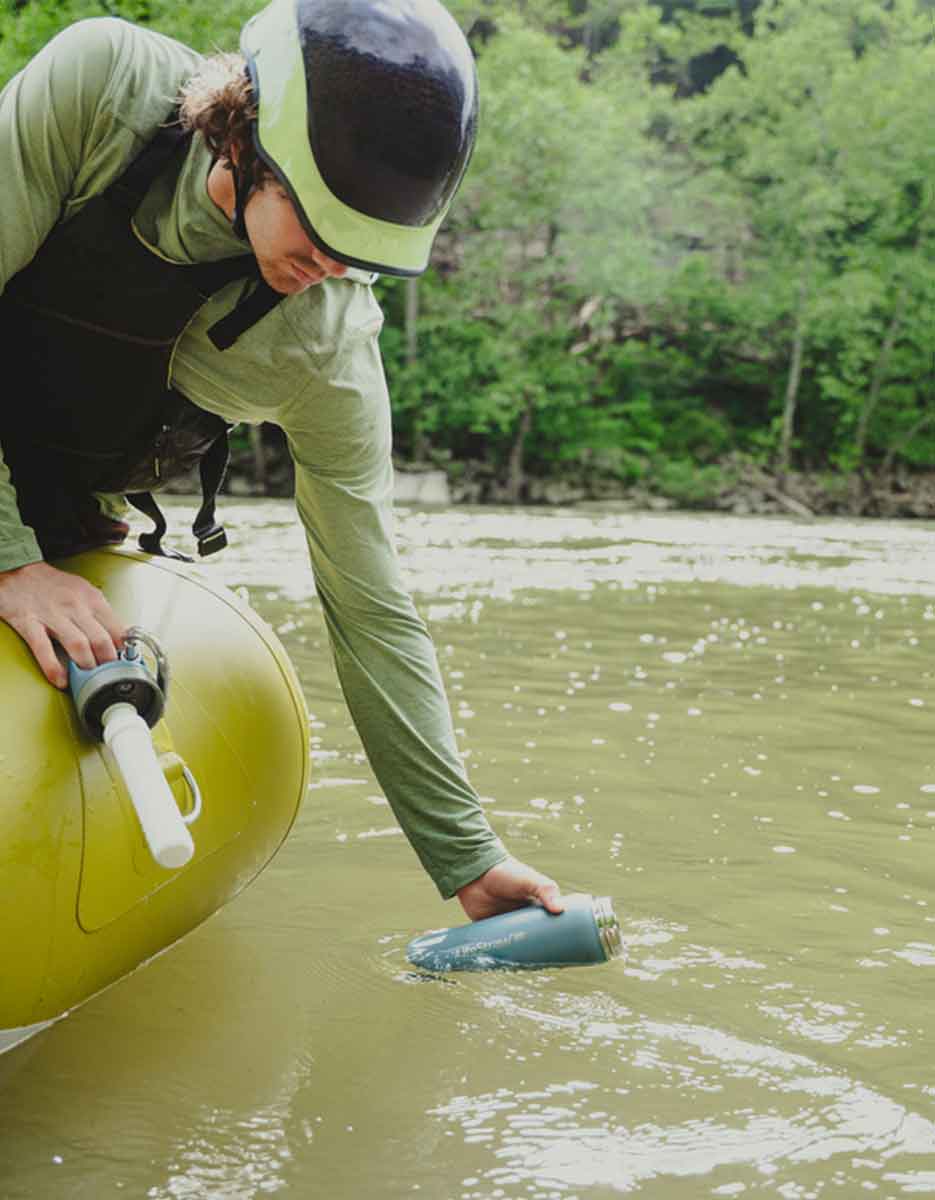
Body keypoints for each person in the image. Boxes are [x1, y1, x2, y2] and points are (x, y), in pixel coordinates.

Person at [0, 0, 563, 921]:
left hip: (64, 504)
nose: (333, 266)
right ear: (246, 136)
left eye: (363, 250)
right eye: (322, 229)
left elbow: (371, 607)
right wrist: (9, 561)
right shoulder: (100, 91)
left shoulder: (324, 346)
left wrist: (466, 855)